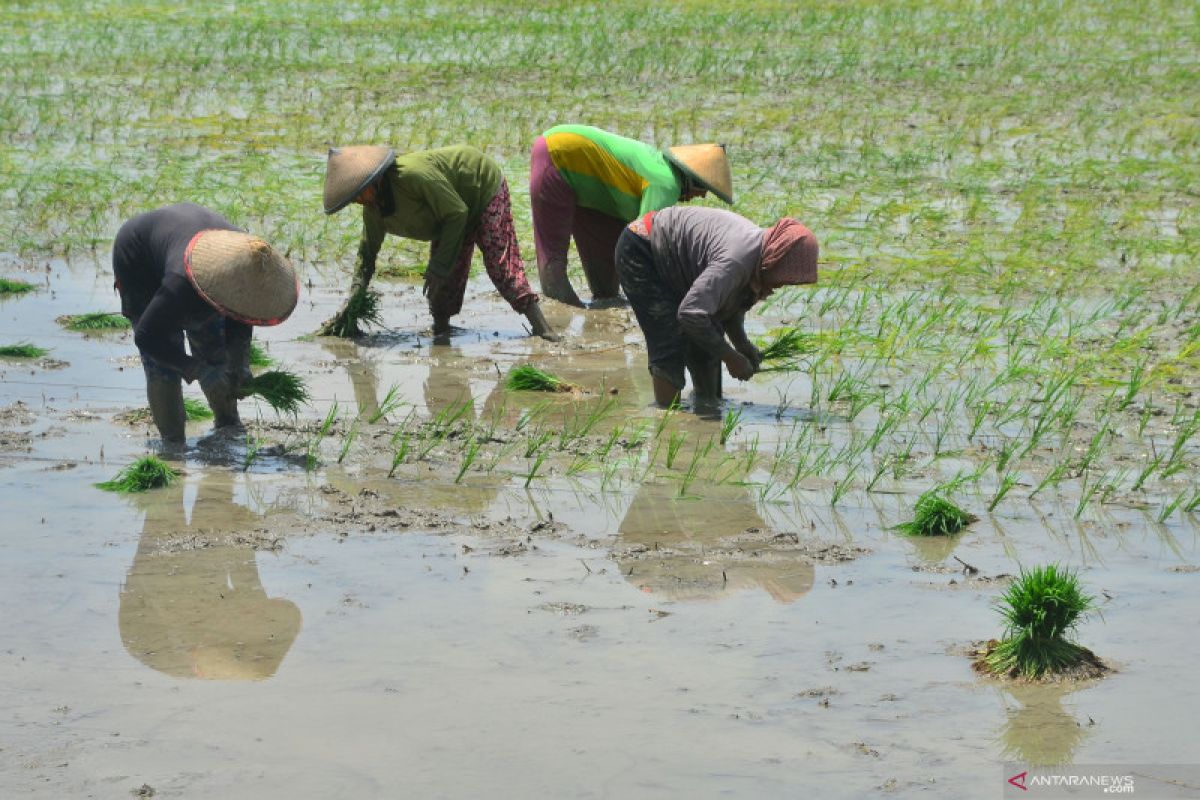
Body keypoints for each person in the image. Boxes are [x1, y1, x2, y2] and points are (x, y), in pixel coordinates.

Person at [320, 144, 559, 341]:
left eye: (360, 194)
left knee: (499, 263)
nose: (359, 202)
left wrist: (438, 267)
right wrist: (352, 303)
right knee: (443, 277)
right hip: (450, 212)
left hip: (480, 187)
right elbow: (366, 256)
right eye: (354, 199)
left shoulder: (412, 176)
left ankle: (544, 329)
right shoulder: (374, 212)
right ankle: (441, 330)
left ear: (373, 181)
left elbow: (456, 213)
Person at [112, 203, 299, 446]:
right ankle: (173, 443)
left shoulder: (247, 261)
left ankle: (228, 424)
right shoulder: (181, 283)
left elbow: (242, 315)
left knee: (212, 343)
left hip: (184, 246)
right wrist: (197, 370)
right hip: (139, 261)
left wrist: (239, 363)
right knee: (163, 366)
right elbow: (147, 336)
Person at [614, 205, 818, 407]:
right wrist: (731, 358)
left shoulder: (759, 253)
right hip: (642, 248)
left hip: (675, 262)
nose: (780, 285)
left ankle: (707, 403)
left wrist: (741, 344)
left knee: (709, 334)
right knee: (669, 339)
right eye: (782, 277)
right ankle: (667, 416)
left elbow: (729, 305)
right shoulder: (736, 261)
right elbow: (690, 314)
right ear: (775, 259)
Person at [530, 124, 734, 308]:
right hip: (557, 155)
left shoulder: (661, 170)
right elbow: (643, 241)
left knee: (607, 288)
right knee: (553, 258)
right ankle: (557, 325)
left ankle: (592, 316)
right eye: (703, 188)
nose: (702, 195)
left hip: (595, 188)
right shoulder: (666, 183)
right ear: (691, 178)